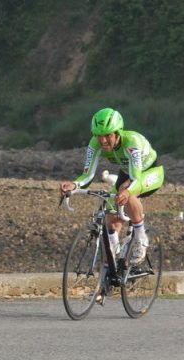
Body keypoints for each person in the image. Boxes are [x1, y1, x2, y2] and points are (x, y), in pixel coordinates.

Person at [60, 108, 165, 265]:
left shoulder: (131, 142)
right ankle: (111, 267)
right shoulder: (95, 144)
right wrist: (74, 184)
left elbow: (135, 177)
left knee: (126, 193)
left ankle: (141, 238)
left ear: (117, 132)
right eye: (98, 135)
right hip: (126, 172)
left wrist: (127, 191)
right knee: (111, 217)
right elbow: (87, 175)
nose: (102, 141)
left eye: (107, 135)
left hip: (148, 172)